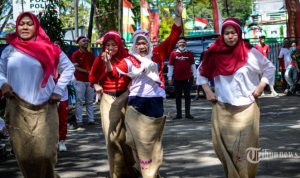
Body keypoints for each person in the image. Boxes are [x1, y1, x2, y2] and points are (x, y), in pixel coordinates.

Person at [198, 18, 275, 178]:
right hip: (223, 108)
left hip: (247, 108)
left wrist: (260, 87)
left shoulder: (250, 52)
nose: (230, 36)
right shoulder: (214, 52)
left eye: (233, 33)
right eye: (227, 33)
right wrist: (207, 91)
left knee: (244, 152)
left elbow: (269, 68)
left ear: (239, 34)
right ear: (223, 35)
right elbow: (200, 72)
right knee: (225, 149)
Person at [0, 12, 75, 177]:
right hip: (17, 108)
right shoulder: (9, 50)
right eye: (22, 24)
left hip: (45, 107)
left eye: (29, 23)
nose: (25, 27)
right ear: (17, 27)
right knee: (24, 156)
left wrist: (58, 90)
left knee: (45, 155)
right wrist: (3, 83)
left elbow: (69, 68)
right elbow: (0, 72)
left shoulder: (50, 49)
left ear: (36, 26)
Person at [115, 1, 183, 177]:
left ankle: (153, 171)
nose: (142, 47)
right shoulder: (130, 59)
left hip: (155, 100)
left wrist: (178, 14)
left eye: (144, 43)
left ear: (148, 44)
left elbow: (174, 36)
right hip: (136, 100)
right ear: (134, 45)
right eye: (138, 44)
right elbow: (116, 71)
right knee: (133, 140)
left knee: (152, 140)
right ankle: (144, 168)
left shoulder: (159, 54)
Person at [89, 31, 137, 178]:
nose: (110, 47)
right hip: (108, 98)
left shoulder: (128, 58)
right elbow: (93, 77)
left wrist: (132, 87)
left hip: (127, 97)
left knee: (126, 137)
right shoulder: (100, 59)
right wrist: (97, 86)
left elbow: (136, 75)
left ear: (119, 45)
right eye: (107, 45)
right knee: (111, 137)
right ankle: (116, 173)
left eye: (114, 45)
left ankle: (131, 169)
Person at [167, 37, 196, 120]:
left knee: (187, 96)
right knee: (178, 96)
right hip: (177, 78)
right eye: (180, 42)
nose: (181, 44)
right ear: (177, 44)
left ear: (185, 44)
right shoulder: (173, 54)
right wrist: (169, 77)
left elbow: (193, 66)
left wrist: (195, 76)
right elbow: (170, 66)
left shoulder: (189, 53)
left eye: (183, 42)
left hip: (188, 78)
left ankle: (188, 114)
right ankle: (178, 114)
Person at [71, 36, 95, 125]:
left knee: (89, 101)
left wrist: (91, 73)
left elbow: (94, 66)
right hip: (79, 80)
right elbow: (75, 67)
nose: (86, 42)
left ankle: (91, 119)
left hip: (89, 80)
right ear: (78, 43)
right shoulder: (75, 54)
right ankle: (79, 120)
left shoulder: (91, 54)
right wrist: (86, 71)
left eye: (86, 41)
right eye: (83, 41)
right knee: (79, 101)